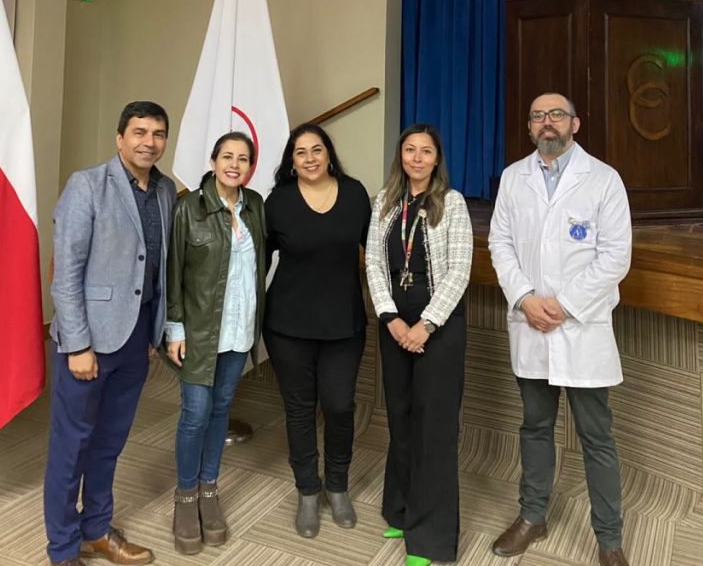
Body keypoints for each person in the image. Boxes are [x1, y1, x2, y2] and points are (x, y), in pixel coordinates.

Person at [488, 93, 632, 566]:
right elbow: (500, 244)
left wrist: (564, 305)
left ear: (575, 123)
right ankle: (533, 517)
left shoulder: (604, 180)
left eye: (556, 115)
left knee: (596, 437)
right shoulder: (514, 178)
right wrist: (525, 299)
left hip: (582, 328)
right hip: (530, 323)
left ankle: (609, 540)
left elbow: (615, 257)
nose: (546, 123)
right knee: (535, 426)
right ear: (529, 127)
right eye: (537, 116)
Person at [44, 101, 176, 566]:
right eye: (139, 132)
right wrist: (77, 344)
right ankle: (63, 548)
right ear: (119, 138)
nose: (149, 142)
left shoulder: (166, 190)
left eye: (158, 133)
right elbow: (65, 273)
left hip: (136, 338)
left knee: (109, 442)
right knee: (72, 446)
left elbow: (155, 268)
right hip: (88, 341)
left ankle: (97, 529)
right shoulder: (87, 185)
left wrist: (154, 331)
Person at [365, 123, 473, 566]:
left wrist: (425, 325)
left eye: (426, 151)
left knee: (434, 428)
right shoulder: (384, 202)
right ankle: (402, 509)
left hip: (439, 328)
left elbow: (459, 270)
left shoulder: (453, 203)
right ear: (401, 155)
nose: (417, 158)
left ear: (437, 158)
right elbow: (373, 262)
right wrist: (390, 318)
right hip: (394, 325)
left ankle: (429, 539)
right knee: (401, 417)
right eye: (410, 150)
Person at [263, 123, 371, 537]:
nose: (310, 158)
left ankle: (337, 485)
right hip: (288, 325)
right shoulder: (278, 201)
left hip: (343, 323)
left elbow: (377, 253)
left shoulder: (356, 195)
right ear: (291, 161)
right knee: (299, 408)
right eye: (300, 152)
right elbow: (255, 259)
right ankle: (308, 490)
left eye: (317, 149)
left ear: (329, 154)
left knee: (340, 406)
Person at [165, 131, 266, 555]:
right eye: (227, 156)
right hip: (200, 333)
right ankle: (186, 495)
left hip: (240, 330)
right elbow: (174, 271)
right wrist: (175, 328)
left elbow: (261, 263)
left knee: (221, 408)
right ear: (213, 161)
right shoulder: (189, 208)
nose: (234, 165)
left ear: (250, 167)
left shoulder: (255, 205)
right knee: (195, 414)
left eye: (243, 159)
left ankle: (209, 486)